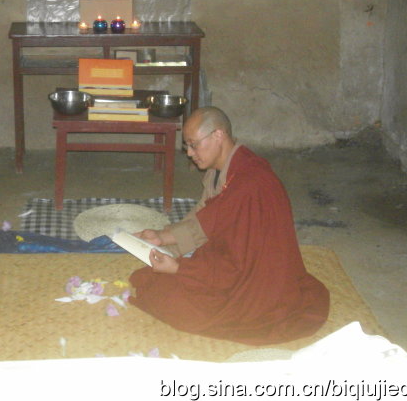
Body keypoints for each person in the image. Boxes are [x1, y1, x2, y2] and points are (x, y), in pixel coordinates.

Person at [130, 107, 329, 345]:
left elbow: (234, 263)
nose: (190, 153)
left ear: (218, 136)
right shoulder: (224, 168)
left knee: (180, 307)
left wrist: (179, 268)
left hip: (257, 281)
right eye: (187, 147)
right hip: (231, 260)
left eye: (194, 145)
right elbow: (205, 218)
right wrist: (162, 239)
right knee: (150, 280)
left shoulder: (250, 183)